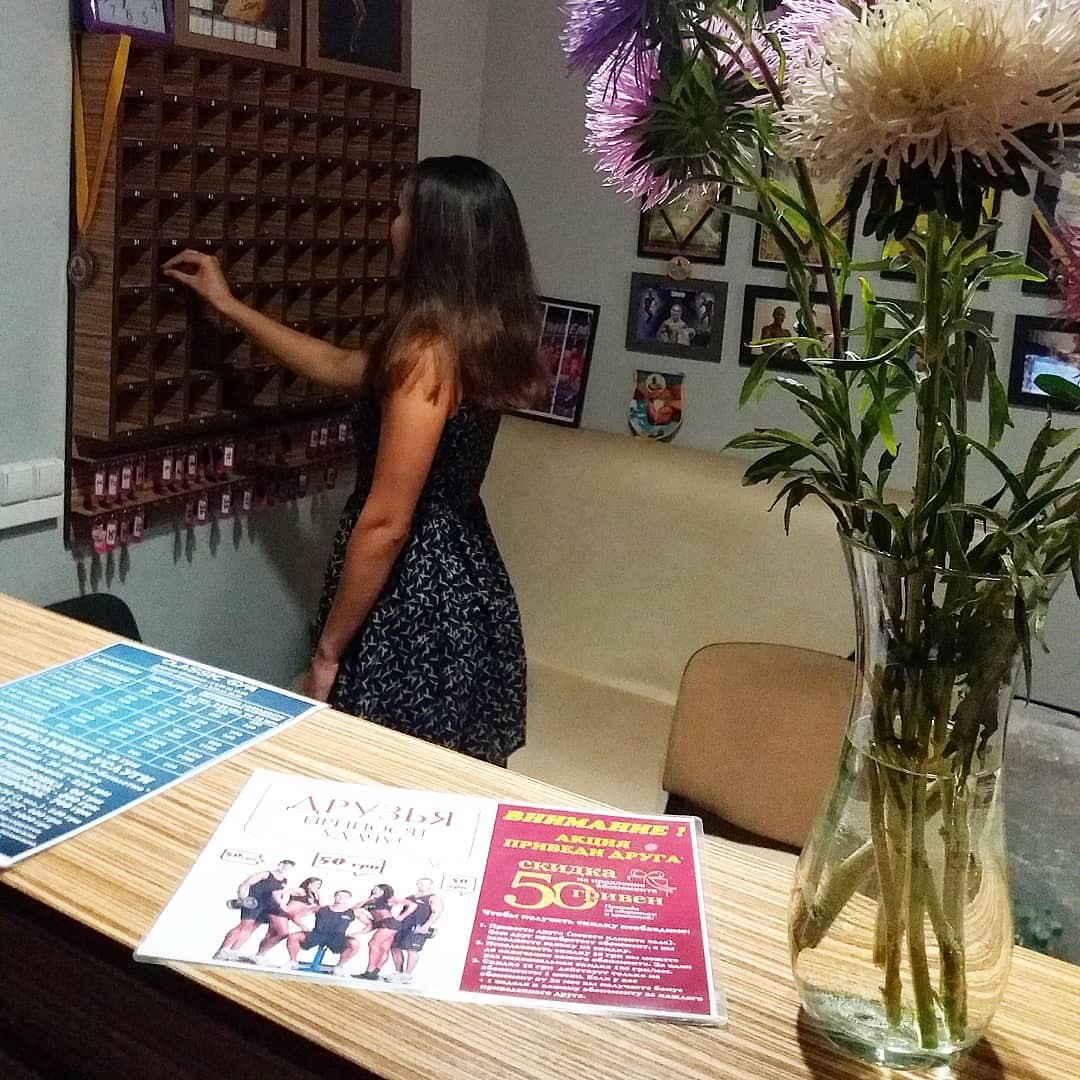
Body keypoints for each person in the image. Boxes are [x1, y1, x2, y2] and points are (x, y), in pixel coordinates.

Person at [164, 157, 542, 766]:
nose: (392, 226)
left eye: (402, 212)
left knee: (380, 779)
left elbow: (387, 523)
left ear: (433, 235)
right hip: (466, 579)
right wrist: (229, 306)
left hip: (417, 600)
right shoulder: (470, 335)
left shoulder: (427, 353)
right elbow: (338, 365)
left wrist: (327, 652)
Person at [214, 859, 294, 960]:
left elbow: (278, 894)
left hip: (267, 907)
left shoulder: (284, 880)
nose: (285, 868)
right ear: (280, 864)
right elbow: (246, 883)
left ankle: (234, 950)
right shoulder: (265, 874)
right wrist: (241, 898)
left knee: (252, 928)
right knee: (244, 926)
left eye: (288, 868)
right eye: (284, 866)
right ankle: (222, 950)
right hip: (254, 903)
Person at [284, 889, 366, 976]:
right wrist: (303, 926)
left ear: (348, 899)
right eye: (339, 895)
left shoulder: (352, 912)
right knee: (293, 937)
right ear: (335, 897)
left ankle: (339, 966)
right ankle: (293, 961)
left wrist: (356, 934)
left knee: (355, 944)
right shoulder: (321, 908)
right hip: (317, 934)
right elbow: (296, 916)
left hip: (337, 938)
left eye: (345, 896)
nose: (341, 898)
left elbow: (370, 925)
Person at [354, 883, 417, 980]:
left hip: (389, 923)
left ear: (384, 891)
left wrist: (402, 917)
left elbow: (413, 905)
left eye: (379, 889)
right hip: (381, 924)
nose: (375, 891)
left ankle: (369, 971)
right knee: (384, 948)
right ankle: (374, 973)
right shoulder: (369, 901)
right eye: (374, 889)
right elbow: (353, 909)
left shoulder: (389, 899)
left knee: (373, 943)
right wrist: (368, 899)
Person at [253, 876, 323, 962]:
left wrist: (318, 895)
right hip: (280, 914)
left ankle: (259, 955)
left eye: (318, 885)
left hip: (288, 916)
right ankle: (260, 955)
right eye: (313, 884)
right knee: (283, 933)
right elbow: (276, 893)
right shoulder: (300, 891)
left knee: (271, 935)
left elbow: (323, 907)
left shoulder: (314, 896)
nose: (315, 886)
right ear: (308, 883)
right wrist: (282, 905)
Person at [389, 877, 444, 983]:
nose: (423, 885)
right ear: (417, 884)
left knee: (411, 950)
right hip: (403, 925)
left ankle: (407, 975)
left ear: (430, 885)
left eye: (425, 884)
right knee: (394, 947)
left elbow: (437, 912)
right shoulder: (411, 897)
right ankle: (398, 972)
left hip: (418, 927)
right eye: (420, 883)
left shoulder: (433, 898)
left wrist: (426, 926)